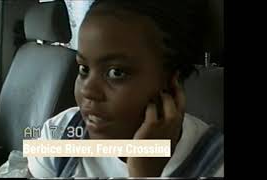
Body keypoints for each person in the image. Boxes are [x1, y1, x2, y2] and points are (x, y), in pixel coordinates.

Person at [27, 0, 224, 178]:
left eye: (116, 72)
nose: (88, 91)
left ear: (172, 81)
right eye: (84, 69)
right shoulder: (60, 132)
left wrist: (143, 174)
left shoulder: (215, 164)